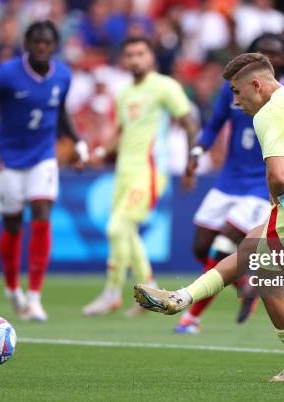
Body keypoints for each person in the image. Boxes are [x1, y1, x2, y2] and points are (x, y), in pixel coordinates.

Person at [135, 52, 284, 382]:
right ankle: (184, 300)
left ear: (256, 85)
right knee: (252, 254)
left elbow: (278, 177)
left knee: (259, 269)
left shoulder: (268, 114)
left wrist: (279, 195)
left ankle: (182, 300)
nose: (236, 103)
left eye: (238, 93)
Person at [0, 21, 88, 322]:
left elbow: (59, 112)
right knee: (12, 225)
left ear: (55, 45)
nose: (42, 47)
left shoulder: (63, 74)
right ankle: (11, 288)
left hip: (43, 155)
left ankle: (34, 297)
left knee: (42, 212)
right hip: (7, 157)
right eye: (36, 42)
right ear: (27, 44)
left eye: (47, 42)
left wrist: (78, 142)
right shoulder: (7, 73)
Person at [175, 33, 284, 334]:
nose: (268, 57)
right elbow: (214, 124)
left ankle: (192, 317)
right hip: (228, 179)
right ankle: (245, 281)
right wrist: (197, 151)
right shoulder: (235, 88)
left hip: (259, 185)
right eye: (261, 52)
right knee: (201, 246)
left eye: (274, 53)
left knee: (224, 244)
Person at [82, 36, 198, 317]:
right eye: (130, 54)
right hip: (123, 172)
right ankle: (150, 291)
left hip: (149, 172)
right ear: (124, 59)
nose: (135, 59)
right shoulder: (123, 94)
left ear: (151, 57)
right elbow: (119, 134)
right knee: (127, 231)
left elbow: (188, 122)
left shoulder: (164, 86)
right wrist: (96, 154)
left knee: (116, 227)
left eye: (141, 53)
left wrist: (191, 162)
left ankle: (112, 293)